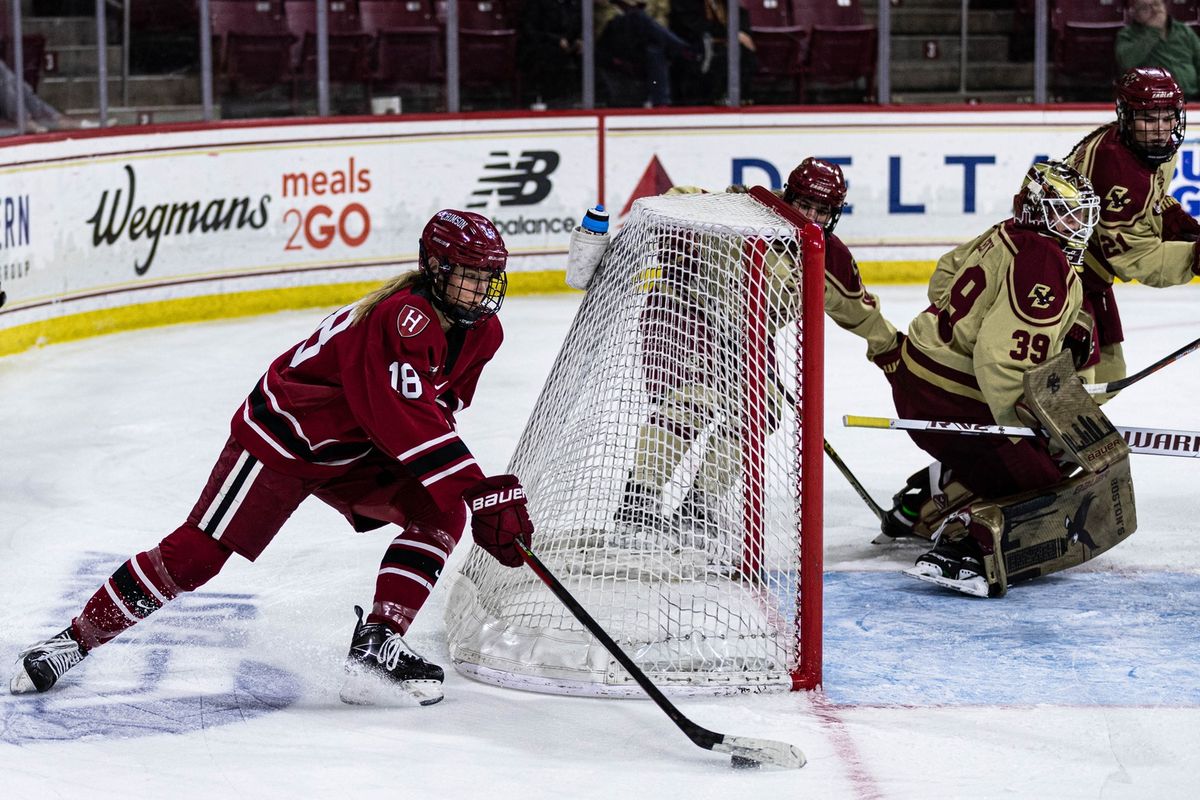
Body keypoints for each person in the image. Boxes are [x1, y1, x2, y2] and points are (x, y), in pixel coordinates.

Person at [9, 210, 535, 706]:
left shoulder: (483, 333)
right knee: (196, 557)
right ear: (435, 268)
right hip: (285, 437)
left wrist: (467, 491)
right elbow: (402, 413)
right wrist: (473, 483)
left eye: (489, 276)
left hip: (355, 446)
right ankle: (73, 641)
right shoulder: (403, 318)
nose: (481, 289)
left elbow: (434, 409)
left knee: (439, 510)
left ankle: (377, 646)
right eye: (468, 274)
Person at [612, 158, 901, 544]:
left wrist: (895, 351)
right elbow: (677, 198)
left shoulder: (828, 258)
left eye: (823, 210)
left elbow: (861, 313)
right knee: (694, 399)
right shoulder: (744, 210)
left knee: (761, 408)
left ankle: (700, 504)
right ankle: (637, 505)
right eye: (805, 205)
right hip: (683, 314)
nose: (812, 216)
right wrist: (679, 240)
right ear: (789, 195)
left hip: (742, 339)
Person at [885, 161, 1104, 595]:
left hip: (920, 376)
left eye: (1082, 215)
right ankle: (963, 550)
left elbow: (943, 276)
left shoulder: (1008, 232)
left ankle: (922, 502)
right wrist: (1026, 430)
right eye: (1067, 213)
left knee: (1012, 458)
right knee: (1045, 487)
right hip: (951, 395)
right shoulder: (1045, 261)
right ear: (1039, 210)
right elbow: (1000, 362)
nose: (1078, 226)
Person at [1066, 66, 1200, 394]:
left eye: (1167, 117)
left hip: (1090, 276)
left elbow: (1151, 200)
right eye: (1149, 119)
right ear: (1127, 116)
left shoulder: (1137, 145)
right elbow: (1133, 257)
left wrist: (1180, 227)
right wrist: (1194, 258)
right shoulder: (1116, 166)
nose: (1161, 129)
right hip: (1064, 279)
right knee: (1076, 382)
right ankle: (1036, 442)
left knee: (1110, 374)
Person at [1116, 0, 1200, 98]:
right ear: (1135, 14)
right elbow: (1127, 62)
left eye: (1156, 3)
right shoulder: (1127, 35)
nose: (1155, 10)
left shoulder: (1184, 31)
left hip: (1192, 96)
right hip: (1153, 100)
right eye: (1145, 7)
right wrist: (1153, 31)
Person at [517, 0, 583, 108]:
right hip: (542, 48)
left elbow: (578, 26)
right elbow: (529, 31)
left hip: (569, 50)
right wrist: (556, 40)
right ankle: (552, 102)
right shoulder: (537, 3)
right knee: (554, 59)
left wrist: (580, 39)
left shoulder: (574, 4)